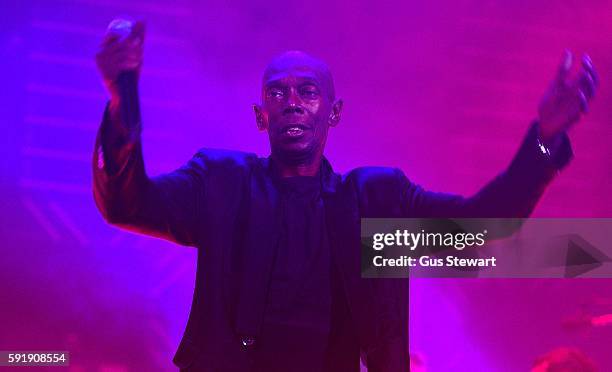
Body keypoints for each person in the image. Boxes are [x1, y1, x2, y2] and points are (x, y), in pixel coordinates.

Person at [93, 19, 598, 372]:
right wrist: (123, 97)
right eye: (278, 92)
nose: (292, 102)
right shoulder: (224, 185)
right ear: (261, 116)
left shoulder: (374, 204)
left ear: (332, 113)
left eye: (308, 91)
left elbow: (486, 229)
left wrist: (544, 138)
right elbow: (127, 203)